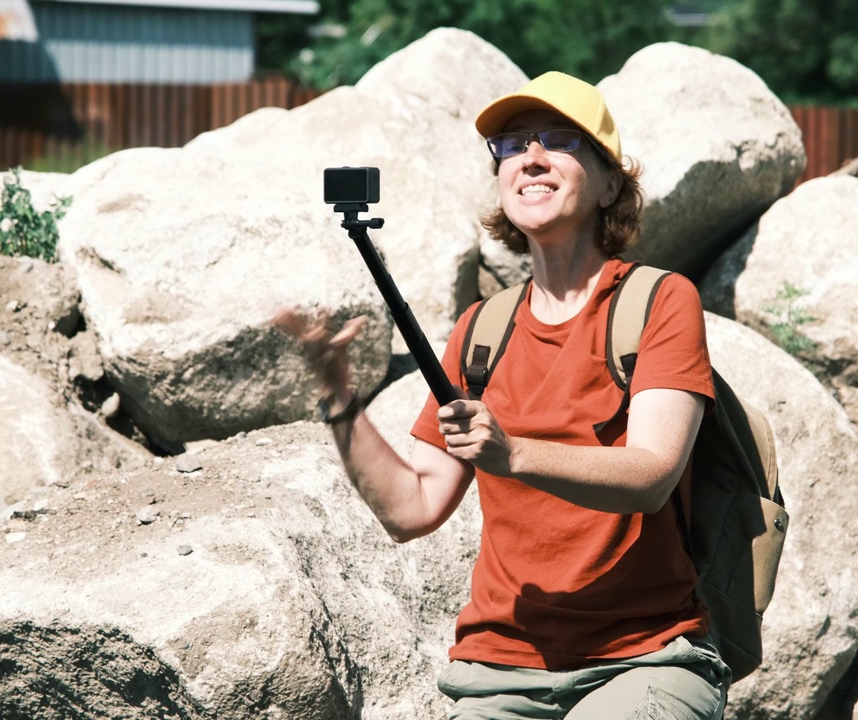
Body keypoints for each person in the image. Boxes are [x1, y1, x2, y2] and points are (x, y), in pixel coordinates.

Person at [277, 71, 729, 720]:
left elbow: (653, 474)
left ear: (609, 184)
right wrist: (338, 396)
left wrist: (513, 453)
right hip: (496, 669)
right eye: (513, 146)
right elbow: (412, 507)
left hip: (643, 661)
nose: (531, 156)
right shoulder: (481, 332)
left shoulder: (657, 302)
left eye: (559, 140)